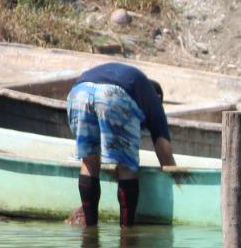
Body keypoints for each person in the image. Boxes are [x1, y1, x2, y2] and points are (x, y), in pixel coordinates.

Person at [64, 62, 177, 227]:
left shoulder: (131, 78)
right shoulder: (153, 98)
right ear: (159, 98)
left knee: (89, 160)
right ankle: (127, 233)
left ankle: (89, 228)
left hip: (79, 93)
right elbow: (162, 146)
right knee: (127, 166)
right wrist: (175, 177)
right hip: (113, 95)